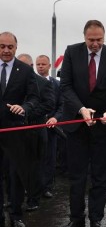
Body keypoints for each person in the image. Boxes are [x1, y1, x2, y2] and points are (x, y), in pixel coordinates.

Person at [60, 20, 106, 227]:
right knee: (77, 175)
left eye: (99, 40)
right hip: (77, 124)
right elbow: (66, 86)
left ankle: (96, 218)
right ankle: (76, 217)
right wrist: (81, 109)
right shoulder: (71, 52)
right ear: (84, 37)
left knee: (102, 175)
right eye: (91, 40)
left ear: (104, 37)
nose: (95, 44)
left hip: (103, 126)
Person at [0, 32, 39, 227]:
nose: (6, 50)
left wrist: (24, 107)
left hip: (16, 132)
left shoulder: (25, 70)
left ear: (16, 47)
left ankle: (16, 215)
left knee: (16, 176)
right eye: (2, 46)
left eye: (10, 47)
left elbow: (34, 98)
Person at [17, 53, 54, 211]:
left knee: (35, 166)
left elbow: (49, 104)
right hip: (16, 131)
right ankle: (14, 200)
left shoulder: (42, 83)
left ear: (30, 67)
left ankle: (34, 199)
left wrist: (26, 112)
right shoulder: (13, 82)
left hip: (36, 130)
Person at [35, 54, 63, 198]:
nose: (40, 66)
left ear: (49, 66)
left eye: (43, 64)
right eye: (38, 64)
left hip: (51, 128)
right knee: (34, 158)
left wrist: (55, 118)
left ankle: (46, 187)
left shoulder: (57, 85)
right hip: (34, 128)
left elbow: (61, 105)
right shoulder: (30, 82)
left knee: (49, 158)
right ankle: (33, 187)